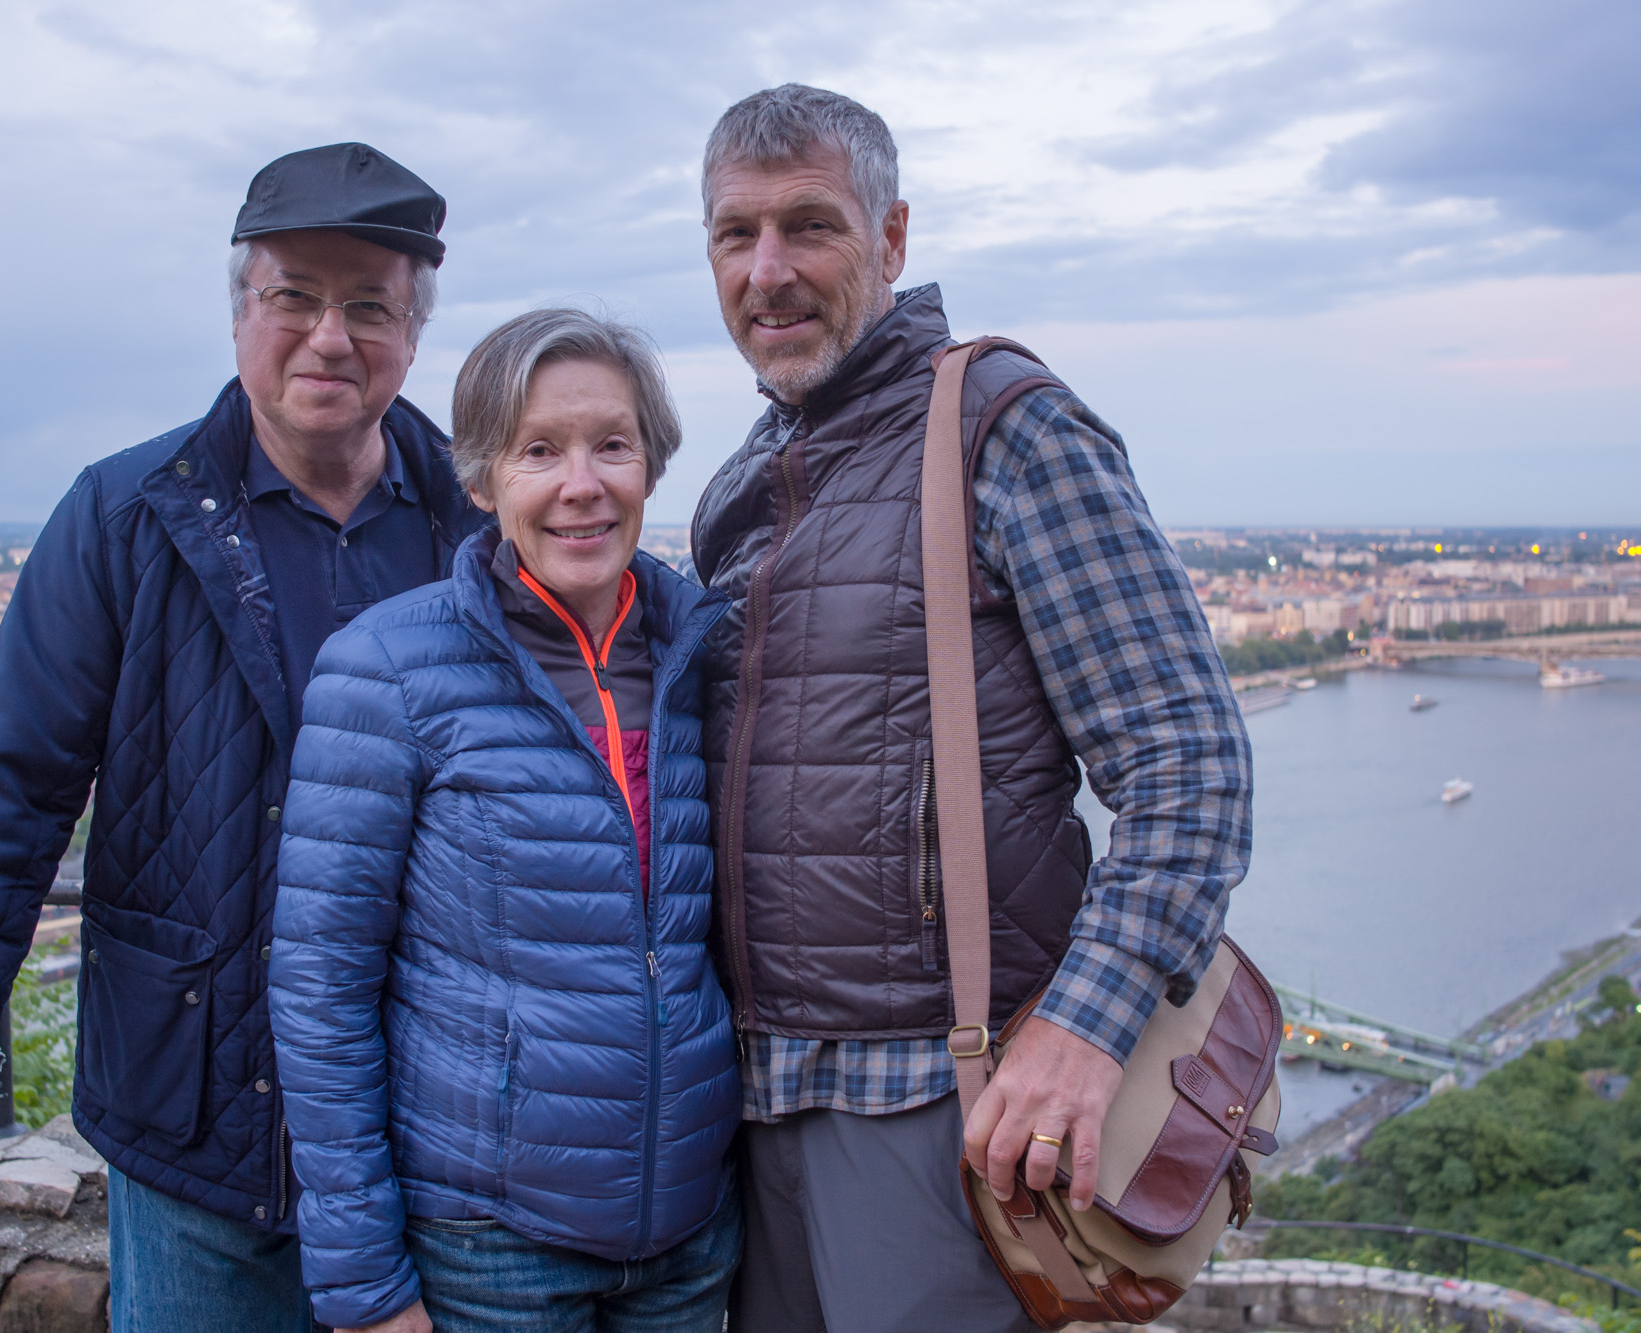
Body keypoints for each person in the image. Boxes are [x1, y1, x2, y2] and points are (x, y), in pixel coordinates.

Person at [0, 143, 489, 1332]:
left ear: (411, 331)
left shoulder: (475, 525)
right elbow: (6, 801)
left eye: (367, 306)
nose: (327, 336)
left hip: (420, 1130)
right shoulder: (125, 517)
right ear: (239, 310)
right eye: (292, 295)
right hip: (196, 1126)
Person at [687, 85, 1255, 1333]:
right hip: (753, 1109)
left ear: (890, 240)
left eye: (808, 227)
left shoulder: (1003, 429)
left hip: (946, 1111)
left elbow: (1187, 765)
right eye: (735, 236)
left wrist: (1080, 1031)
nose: (767, 272)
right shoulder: (742, 481)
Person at [270, 307, 741, 1333]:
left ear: (650, 465)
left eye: (610, 444)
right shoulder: (387, 668)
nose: (582, 483)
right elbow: (319, 988)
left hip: (689, 1235)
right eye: (539, 450)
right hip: (489, 1244)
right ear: (481, 481)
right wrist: (361, 1285)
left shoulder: (701, 655)